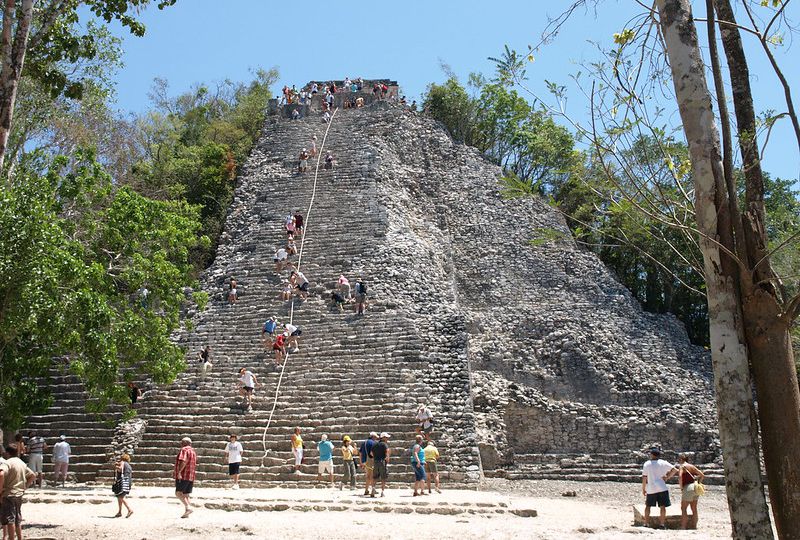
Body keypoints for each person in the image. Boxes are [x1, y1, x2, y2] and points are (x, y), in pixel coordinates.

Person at [0, 445, 35, 540]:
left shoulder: (7, 463)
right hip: (19, 494)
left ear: (7, 453)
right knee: (17, 519)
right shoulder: (22, 463)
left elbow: (1, 474)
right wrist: (24, 488)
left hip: (9, 494)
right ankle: (19, 538)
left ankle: (11, 538)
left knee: (9, 519)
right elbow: (32, 475)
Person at [642, 447, 678, 529]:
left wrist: (643, 488)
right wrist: (667, 477)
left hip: (651, 488)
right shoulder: (663, 463)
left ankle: (646, 523)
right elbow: (675, 470)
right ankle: (662, 524)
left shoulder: (647, 464)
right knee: (662, 507)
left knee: (648, 506)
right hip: (662, 487)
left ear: (652, 455)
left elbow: (644, 477)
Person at [677, 453, 705, 529]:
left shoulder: (682, 466)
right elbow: (702, 475)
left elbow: (680, 477)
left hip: (688, 487)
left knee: (683, 508)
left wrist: (681, 487)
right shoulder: (692, 466)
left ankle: (683, 526)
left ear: (681, 459)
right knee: (694, 508)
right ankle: (694, 526)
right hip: (695, 487)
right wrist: (699, 482)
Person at [174, 437, 196, 518]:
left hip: (184, 475)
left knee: (178, 493)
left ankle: (188, 507)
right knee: (186, 494)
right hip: (190, 476)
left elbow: (184, 461)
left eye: (181, 442)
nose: (180, 444)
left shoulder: (184, 450)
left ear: (184, 443)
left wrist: (179, 472)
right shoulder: (193, 451)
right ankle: (187, 511)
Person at [112, 454, 133, 518]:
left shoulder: (122, 462)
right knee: (119, 496)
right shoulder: (128, 465)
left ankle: (129, 509)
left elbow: (120, 469)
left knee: (120, 496)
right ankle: (119, 512)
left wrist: (116, 466)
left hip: (122, 482)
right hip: (127, 482)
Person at [372, 433, 391, 498]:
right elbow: (387, 451)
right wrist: (387, 459)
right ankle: (382, 492)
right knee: (383, 477)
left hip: (375, 462)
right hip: (382, 462)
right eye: (386, 437)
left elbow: (371, 453)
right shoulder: (384, 444)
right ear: (383, 438)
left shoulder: (375, 444)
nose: (387, 439)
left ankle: (373, 489)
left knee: (375, 477)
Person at [359, 432, 378, 496]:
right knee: (372, 476)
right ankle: (373, 489)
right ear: (373, 437)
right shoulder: (373, 443)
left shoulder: (364, 442)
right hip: (370, 461)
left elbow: (360, 453)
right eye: (375, 437)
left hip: (364, 461)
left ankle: (366, 490)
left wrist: (361, 462)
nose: (376, 439)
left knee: (367, 476)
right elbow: (372, 453)